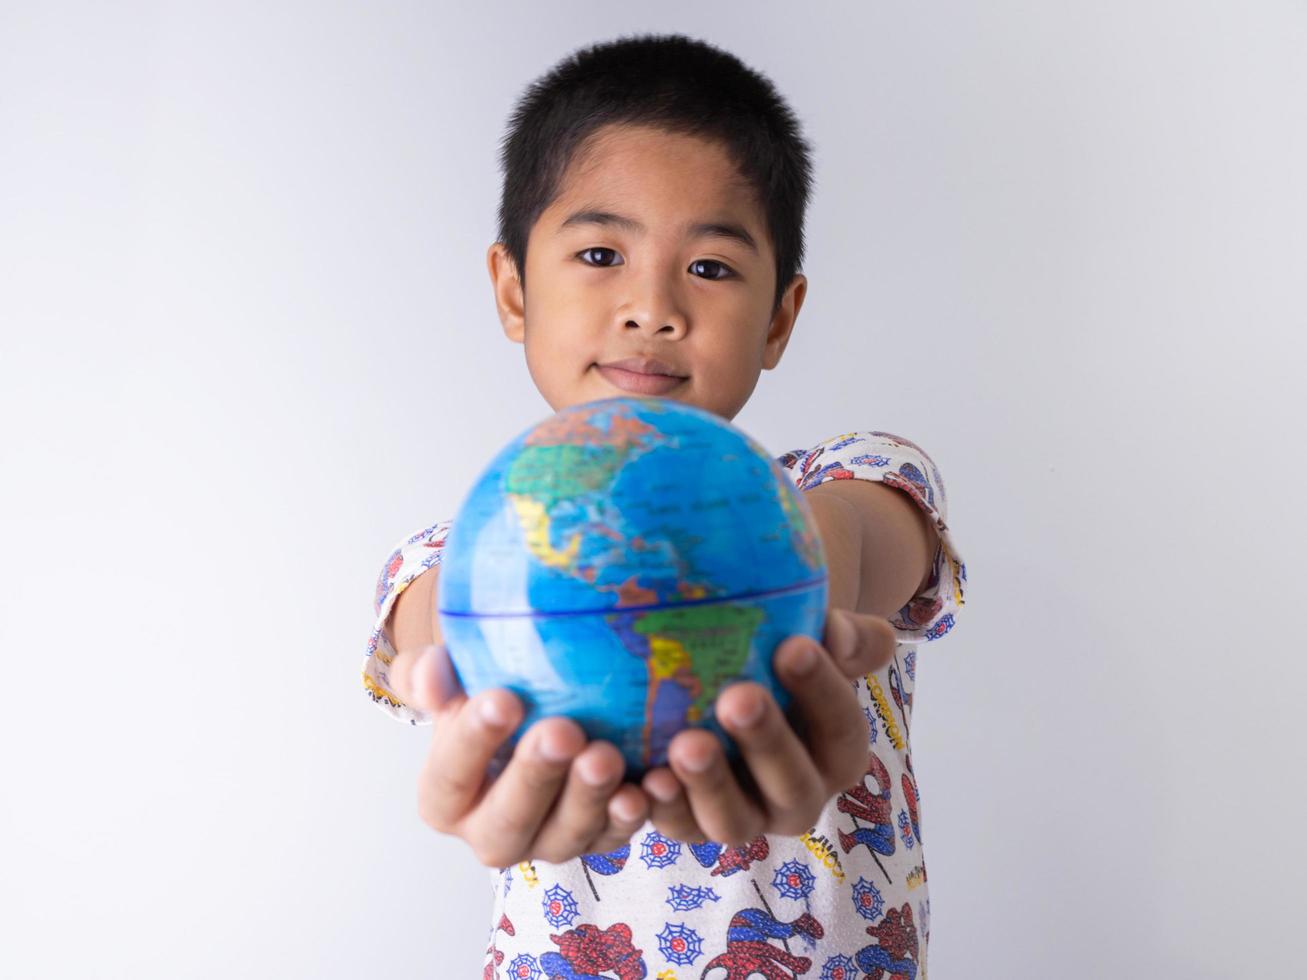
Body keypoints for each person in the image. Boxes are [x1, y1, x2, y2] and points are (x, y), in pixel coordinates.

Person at [360, 32, 968, 979]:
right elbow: (426, 623)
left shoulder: (849, 479)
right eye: (600, 252)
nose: (652, 308)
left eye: (712, 268)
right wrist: (452, 662)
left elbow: (852, 543)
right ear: (513, 290)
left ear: (779, 318)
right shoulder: (472, 547)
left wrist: (781, 588)